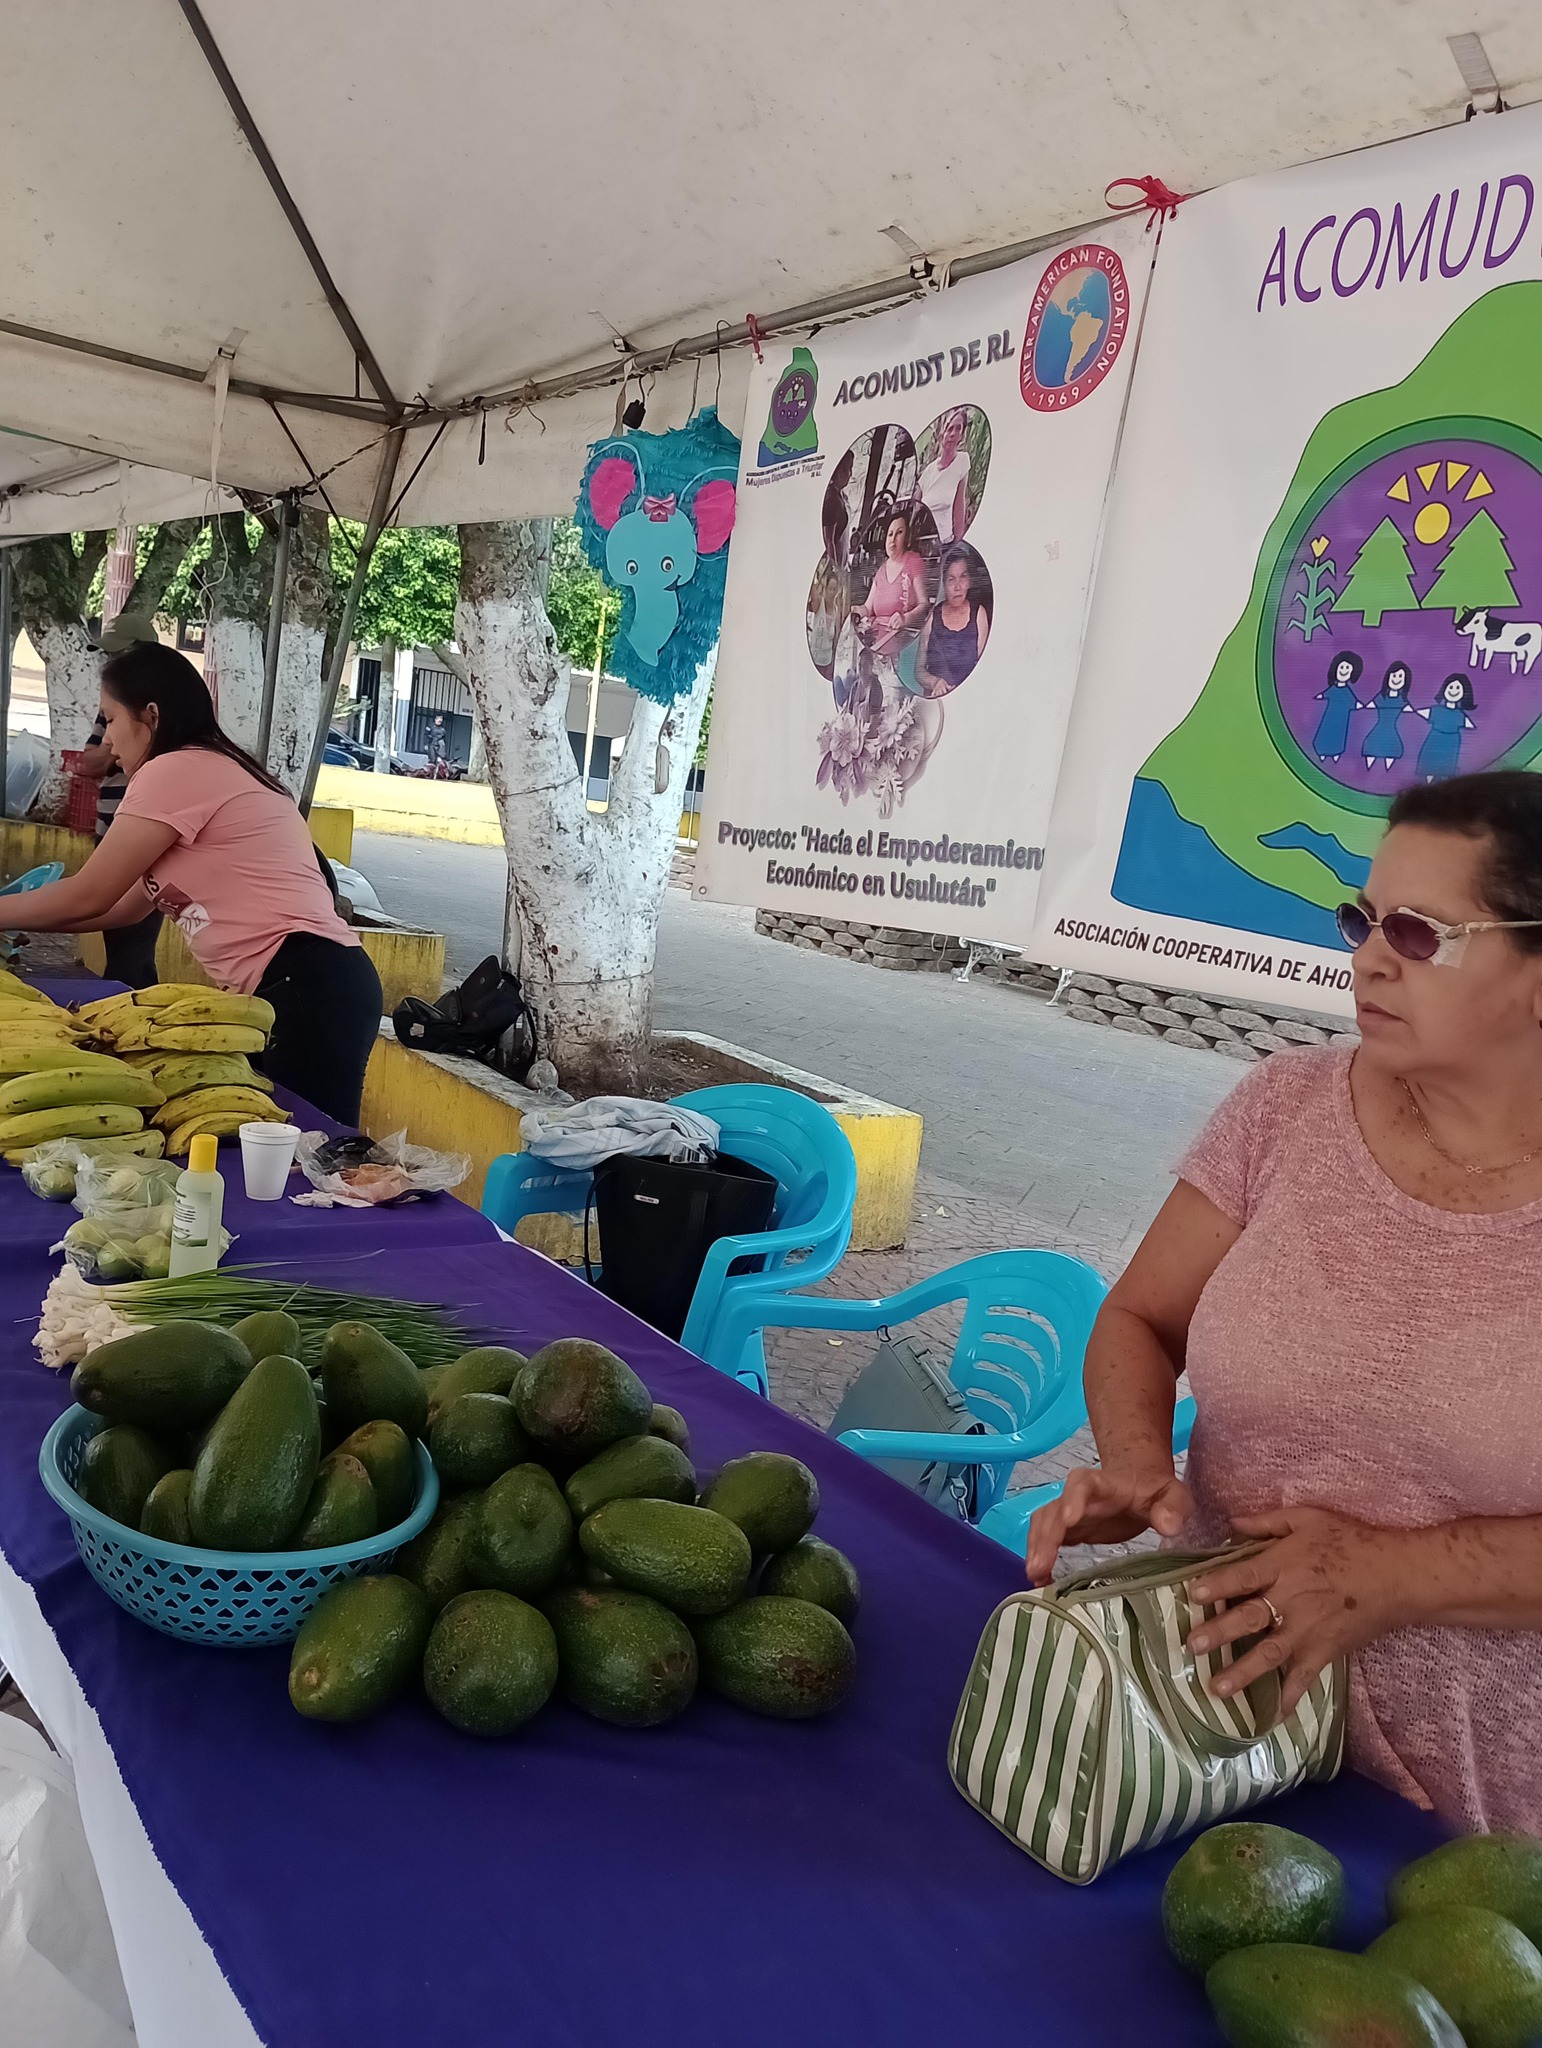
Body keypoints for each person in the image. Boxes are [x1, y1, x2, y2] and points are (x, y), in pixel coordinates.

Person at [1026, 770, 1542, 1833]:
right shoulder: (1285, 1107)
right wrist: (1136, 1463)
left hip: (1472, 1825)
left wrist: (1390, 1573)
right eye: (1361, 917)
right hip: (1196, 1742)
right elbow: (1141, 1319)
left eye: (1418, 929)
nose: (1368, 953)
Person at [2, 642, 382, 1123]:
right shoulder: (201, 766)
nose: (108, 744)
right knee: (277, 1146)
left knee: (310, 1151)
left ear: (152, 715)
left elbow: (88, 894)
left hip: (307, 982)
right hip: (293, 985)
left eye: (111, 720)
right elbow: (120, 908)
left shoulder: (177, 769)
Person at [74, 614, 164, 987]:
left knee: (132, 951)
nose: (108, 664)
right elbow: (87, 762)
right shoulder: (113, 703)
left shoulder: (170, 713)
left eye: (114, 722)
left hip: (137, 840)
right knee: (121, 942)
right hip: (109, 831)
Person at [852, 509, 929, 659]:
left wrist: (905, 618)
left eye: (899, 532)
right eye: (890, 534)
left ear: (906, 537)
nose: (893, 539)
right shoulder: (881, 569)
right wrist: (855, 610)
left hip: (902, 643)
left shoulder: (913, 561)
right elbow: (867, 608)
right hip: (877, 641)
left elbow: (924, 605)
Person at [915, 547, 990, 697]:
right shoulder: (932, 617)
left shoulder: (979, 614)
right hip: (938, 701)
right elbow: (918, 670)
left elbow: (985, 669)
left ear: (969, 580)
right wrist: (934, 682)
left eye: (963, 577)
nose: (957, 587)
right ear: (943, 582)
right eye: (951, 579)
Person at [918, 409, 972, 544]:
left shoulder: (962, 460)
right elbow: (915, 508)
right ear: (942, 433)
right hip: (923, 544)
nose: (953, 434)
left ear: (962, 434)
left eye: (958, 429)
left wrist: (959, 543)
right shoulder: (929, 471)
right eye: (949, 428)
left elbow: (959, 506)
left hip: (945, 543)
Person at [1414, 674, 1476, 782]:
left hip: (1451, 743)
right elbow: (1421, 712)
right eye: (1451, 687)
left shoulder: (1459, 715)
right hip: (1434, 739)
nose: (1453, 691)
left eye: (1457, 688)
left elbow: (1470, 724)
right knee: (1429, 763)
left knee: (1447, 766)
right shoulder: (1437, 710)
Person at [1311, 649, 1362, 764]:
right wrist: (1320, 696)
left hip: (1342, 719)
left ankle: (1335, 753)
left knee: (1339, 735)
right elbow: (1325, 694)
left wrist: (1360, 706)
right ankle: (1321, 752)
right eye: (1342, 667)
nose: (1344, 671)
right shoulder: (1333, 689)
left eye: (1347, 669)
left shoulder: (1347, 691)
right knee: (1325, 732)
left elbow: (1353, 702)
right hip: (1329, 716)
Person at [1361, 658, 1412, 771]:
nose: (1396, 679)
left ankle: (1387, 772)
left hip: (1392, 731)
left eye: (1400, 677)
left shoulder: (1402, 700)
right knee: (1370, 749)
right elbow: (1368, 706)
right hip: (1378, 729)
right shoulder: (1381, 697)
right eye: (1394, 676)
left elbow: (1411, 710)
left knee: (1392, 752)